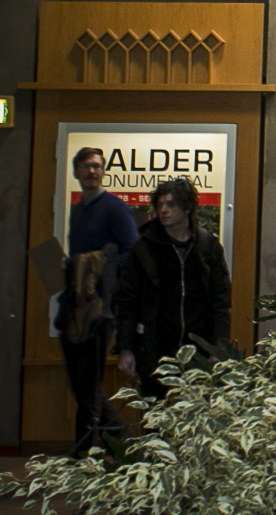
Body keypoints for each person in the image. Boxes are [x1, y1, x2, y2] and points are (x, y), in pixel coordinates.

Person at [114, 177, 231, 398]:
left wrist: (218, 347)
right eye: (160, 205)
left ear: (187, 207)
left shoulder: (207, 246)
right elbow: (126, 301)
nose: (164, 210)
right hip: (155, 349)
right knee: (156, 417)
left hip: (198, 349)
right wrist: (125, 347)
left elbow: (221, 301)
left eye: (171, 204)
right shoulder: (145, 248)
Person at [61, 146, 137, 453]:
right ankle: (122, 444)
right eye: (85, 167)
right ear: (76, 172)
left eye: (97, 166)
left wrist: (97, 269)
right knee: (81, 385)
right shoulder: (78, 209)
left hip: (100, 309)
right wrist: (71, 265)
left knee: (88, 384)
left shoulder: (115, 208)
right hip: (73, 307)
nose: (92, 171)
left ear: (103, 171)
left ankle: (82, 454)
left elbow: (131, 252)